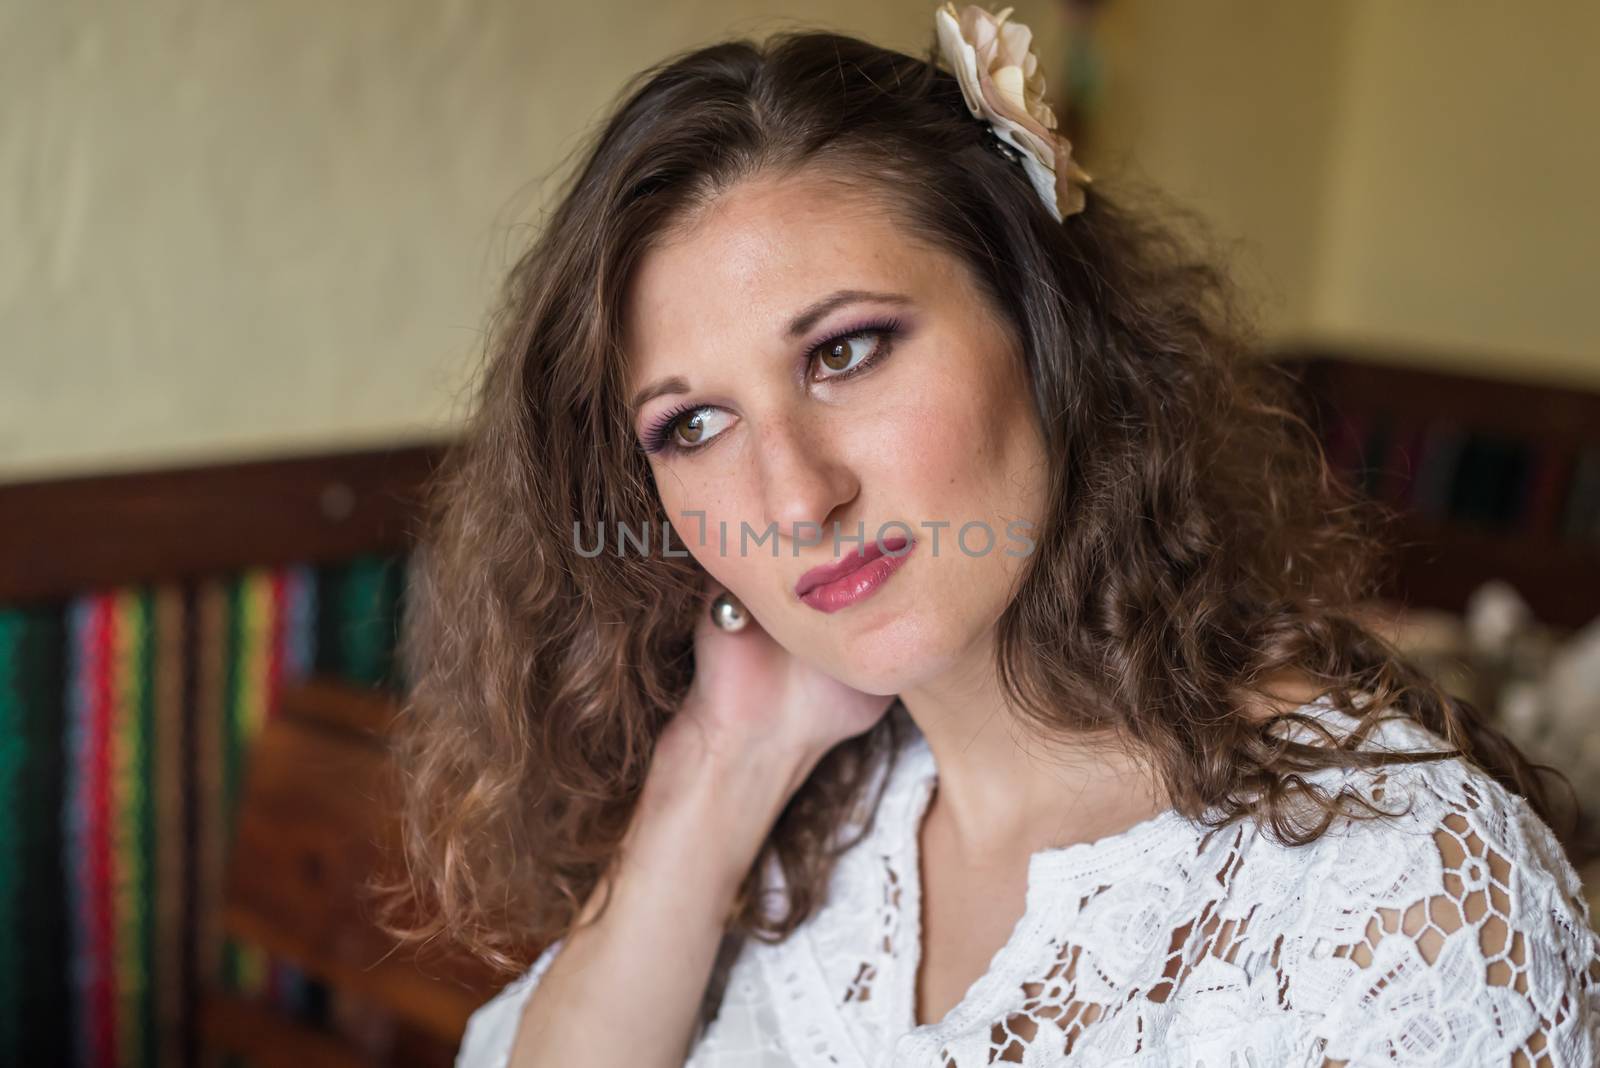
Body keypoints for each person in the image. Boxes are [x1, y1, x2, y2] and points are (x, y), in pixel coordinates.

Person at [383, 4, 1600, 1065]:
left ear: (1040, 323)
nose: (795, 499)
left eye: (845, 352)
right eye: (693, 424)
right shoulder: (824, 807)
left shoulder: (1390, 895)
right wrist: (725, 755)